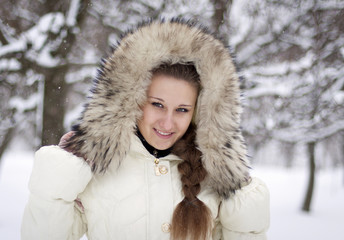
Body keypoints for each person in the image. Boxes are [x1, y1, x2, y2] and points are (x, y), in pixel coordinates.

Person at [21, 18, 270, 240]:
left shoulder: (213, 175)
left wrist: (240, 194)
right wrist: (59, 177)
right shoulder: (97, 165)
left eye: (182, 109)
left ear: (200, 111)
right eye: (158, 104)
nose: (167, 123)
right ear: (133, 98)